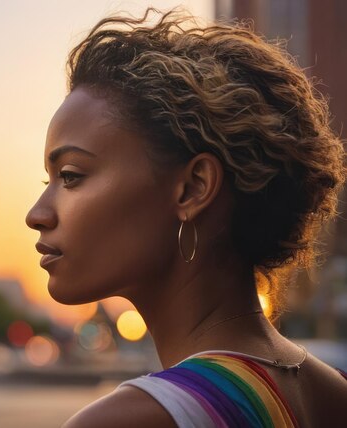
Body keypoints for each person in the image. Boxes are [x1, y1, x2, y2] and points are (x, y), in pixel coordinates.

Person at [25, 8, 347, 427]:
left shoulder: (132, 420)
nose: (37, 214)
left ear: (194, 188)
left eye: (71, 176)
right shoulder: (334, 392)